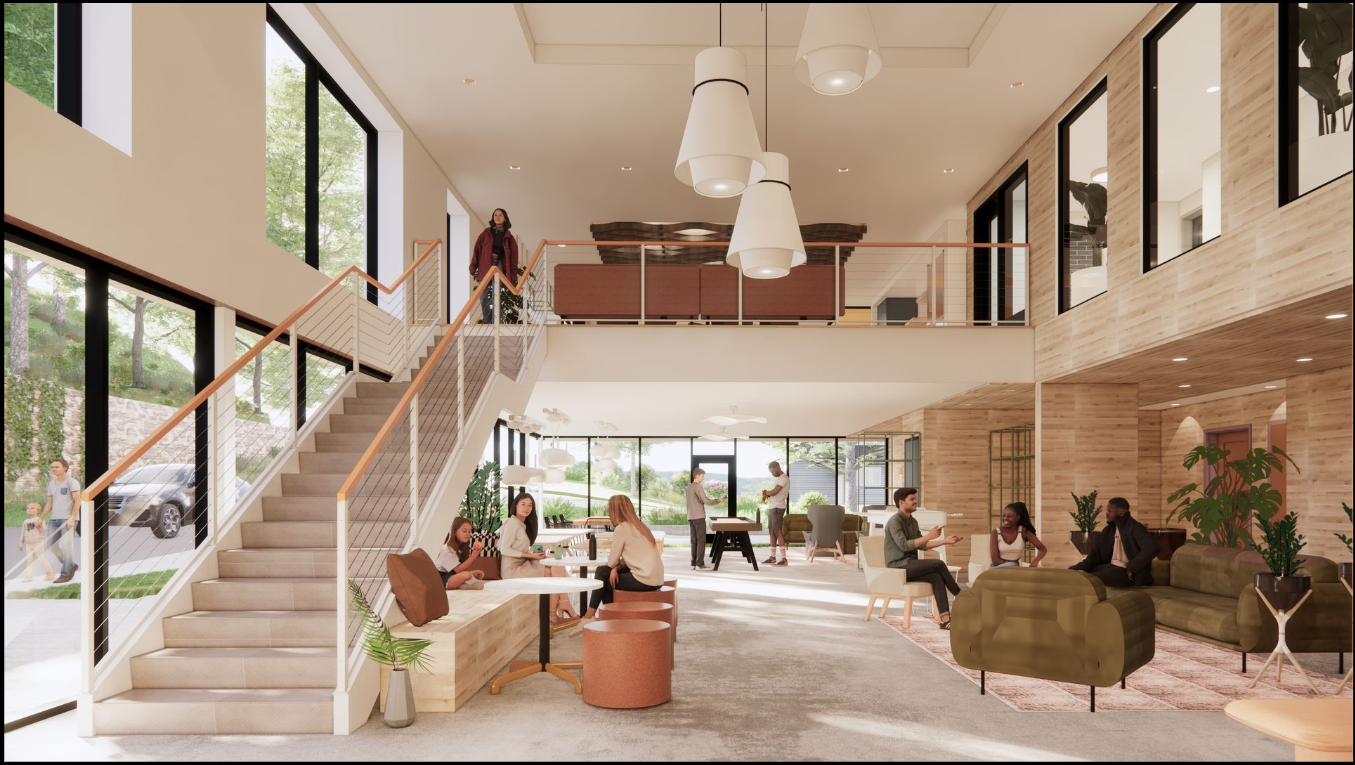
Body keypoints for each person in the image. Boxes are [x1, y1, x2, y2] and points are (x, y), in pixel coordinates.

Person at [884, 487, 964, 630]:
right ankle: (962, 597)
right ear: (901, 502)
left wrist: (945, 541)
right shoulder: (894, 522)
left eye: (915, 499)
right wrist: (928, 536)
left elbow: (922, 545)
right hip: (897, 567)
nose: (916, 501)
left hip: (910, 564)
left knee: (936, 577)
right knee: (938, 564)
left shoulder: (913, 521)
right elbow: (904, 545)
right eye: (912, 499)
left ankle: (945, 620)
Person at [498, 491, 580, 622]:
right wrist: (531, 556)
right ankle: (560, 607)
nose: (526, 508)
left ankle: (555, 611)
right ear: (515, 506)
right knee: (550, 571)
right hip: (512, 570)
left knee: (554, 561)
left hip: (522, 564)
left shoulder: (521, 524)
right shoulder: (512, 523)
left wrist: (533, 555)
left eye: (530, 505)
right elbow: (504, 549)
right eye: (523, 504)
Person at [582, 495, 664, 619]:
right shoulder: (640, 527)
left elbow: (611, 562)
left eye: (609, 508)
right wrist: (616, 568)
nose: (608, 511)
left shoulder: (621, 529)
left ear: (616, 510)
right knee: (605, 573)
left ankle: (597, 616)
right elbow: (627, 560)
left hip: (644, 579)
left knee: (603, 577)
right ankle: (602, 616)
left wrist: (614, 567)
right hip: (656, 577)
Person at [1070, 497, 1158, 587]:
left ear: (1121, 513)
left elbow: (1152, 547)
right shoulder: (1108, 530)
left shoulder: (1135, 528)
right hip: (1111, 567)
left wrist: (1132, 567)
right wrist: (1075, 569)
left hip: (1127, 572)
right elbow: (1095, 554)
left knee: (1092, 579)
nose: (1106, 514)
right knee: (1084, 574)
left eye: (1110, 511)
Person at [471, 208, 519, 324]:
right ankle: (488, 321)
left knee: (496, 294)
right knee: (483, 294)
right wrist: (473, 265)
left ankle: (495, 321)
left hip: (499, 264)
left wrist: (512, 274)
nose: (497, 217)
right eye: (495, 215)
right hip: (485, 264)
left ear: (505, 218)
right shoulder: (485, 234)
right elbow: (477, 250)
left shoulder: (509, 237)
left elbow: (513, 257)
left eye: (500, 215)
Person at [41, 458, 81, 584]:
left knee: (67, 546)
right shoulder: (52, 484)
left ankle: (64, 573)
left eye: (56, 467)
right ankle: (71, 565)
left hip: (67, 519)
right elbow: (49, 503)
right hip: (54, 519)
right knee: (51, 546)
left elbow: (77, 501)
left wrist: (72, 518)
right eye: (52, 467)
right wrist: (41, 518)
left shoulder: (72, 482)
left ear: (65, 468)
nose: (53, 469)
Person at [990, 501, 1047, 569]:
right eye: (1004, 515)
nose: (1005, 518)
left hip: (1014, 568)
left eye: (1009, 516)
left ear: (1017, 518)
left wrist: (1034, 563)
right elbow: (995, 560)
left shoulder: (1023, 531)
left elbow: (1043, 549)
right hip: (997, 568)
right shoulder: (996, 532)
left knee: (1014, 566)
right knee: (1013, 565)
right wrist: (1011, 566)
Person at [685, 468, 722, 570]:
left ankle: (693, 563)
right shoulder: (698, 486)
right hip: (698, 517)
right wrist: (718, 500)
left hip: (691, 517)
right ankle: (700, 564)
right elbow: (706, 501)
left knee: (694, 541)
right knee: (701, 540)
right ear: (697, 476)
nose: (703, 478)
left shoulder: (689, 487)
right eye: (702, 476)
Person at [436, 517, 487, 590]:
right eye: (464, 531)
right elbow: (458, 570)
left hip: (452, 575)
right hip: (441, 579)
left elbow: (460, 569)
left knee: (480, 573)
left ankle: (463, 584)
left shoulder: (461, 547)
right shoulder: (447, 549)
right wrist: (474, 555)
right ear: (454, 532)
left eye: (469, 531)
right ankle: (463, 584)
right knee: (466, 575)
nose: (468, 534)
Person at [760, 461, 790, 566]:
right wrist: (767, 493)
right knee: (772, 532)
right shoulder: (778, 479)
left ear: (777, 468)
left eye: (773, 472)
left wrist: (766, 492)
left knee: (778, 532)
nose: (772, 474)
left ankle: (784, 559)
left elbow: (774, 492)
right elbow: (773, 493)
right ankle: (772, 557)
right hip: (773, 507)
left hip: (778, 507)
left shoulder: (783, 478)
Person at [19, 503, 56, 583]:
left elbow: (43, 529)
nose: (29, 509)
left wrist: (39, 526)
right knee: (29, 561)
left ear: (37, 510)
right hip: (28, 544)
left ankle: (50, 573)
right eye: (28, 508)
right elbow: (23, 532)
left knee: (41, 558)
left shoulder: (39, 520)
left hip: (38, 543)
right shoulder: (26, 521)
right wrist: (21, 542)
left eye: (32, 508)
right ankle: (28, 577)